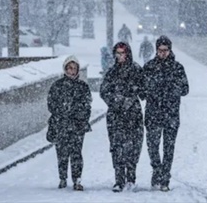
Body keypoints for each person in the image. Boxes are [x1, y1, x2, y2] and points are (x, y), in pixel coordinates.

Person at [142, 35, 189, 192]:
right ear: (156, 50)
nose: (162, 53)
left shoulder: (177, 68)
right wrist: (151, 89)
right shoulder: (149, 67)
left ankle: (165, 177)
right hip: (153, 113)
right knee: (152, 146)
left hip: (171, 114)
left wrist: (171, 89)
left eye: (165, 50)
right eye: (160, 50)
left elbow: (185, 89)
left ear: (170, 50)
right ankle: (157, 169)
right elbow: (142, 91)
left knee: (169, 148)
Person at [100, 42, 145, 192]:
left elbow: (144, 90)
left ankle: (131, 177)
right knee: (117, 147)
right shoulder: (112, 72)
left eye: (122, 53)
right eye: (117, 53)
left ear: (128, 54)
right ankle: (119, 179)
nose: (120, 56)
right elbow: (104, 91)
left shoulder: (136, 70)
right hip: (116, 115)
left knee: (133, 146)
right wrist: (116, 101)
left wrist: (133, 94)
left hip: (133, 114)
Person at [46, 55, 92, 191]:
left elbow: (87, 106)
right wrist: (62, 113)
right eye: (69, 68)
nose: (72, 71)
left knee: (76, 153)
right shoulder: (57, 86)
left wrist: (79, 117)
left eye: (74, 68)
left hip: (77, 126)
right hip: (61, 125)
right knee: (62, 153)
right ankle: (62, 178)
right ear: (65, 69)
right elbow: (51, 105)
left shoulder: (82, 86)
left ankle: (77, 179)